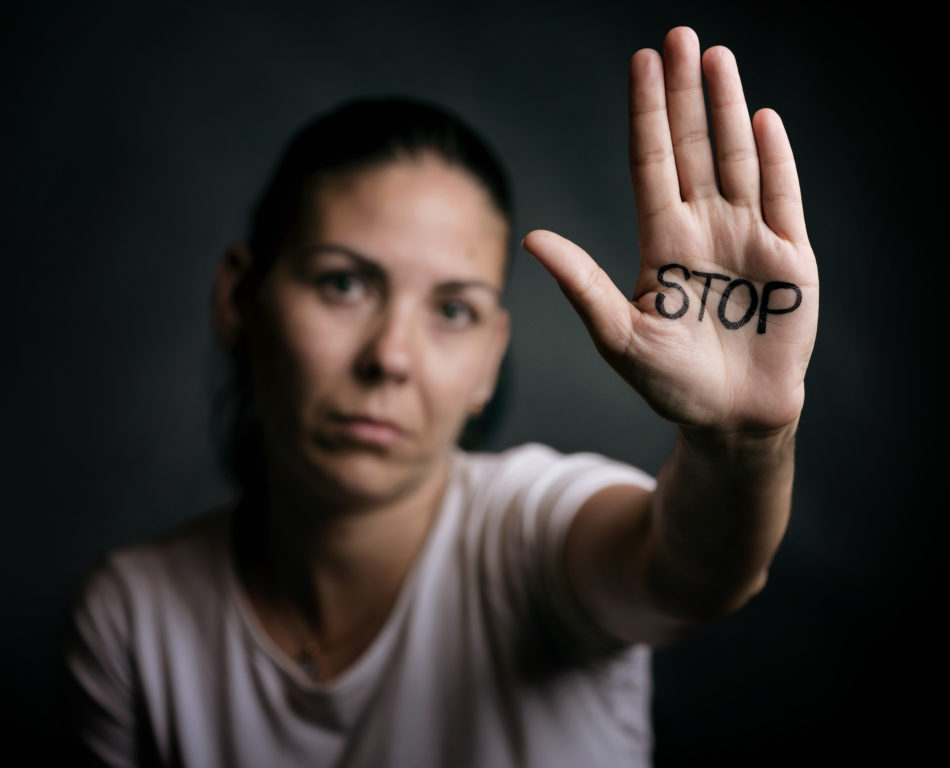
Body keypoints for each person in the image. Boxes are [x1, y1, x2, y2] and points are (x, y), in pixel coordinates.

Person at [62, 26, 819, 767]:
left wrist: (743, 440)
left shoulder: (531, 532)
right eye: (343, 284)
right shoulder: (134, 616)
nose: (390, 358)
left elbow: (689, 572)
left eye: (453, 310)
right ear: (239, 298)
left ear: (491, 356)